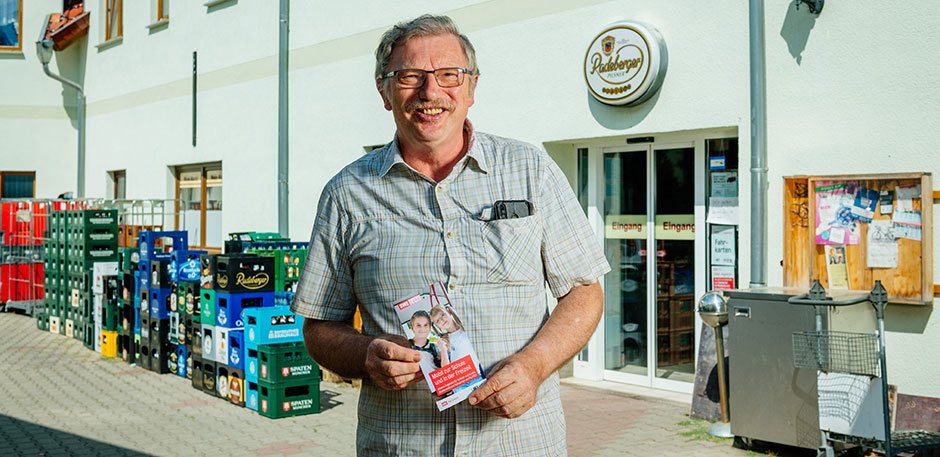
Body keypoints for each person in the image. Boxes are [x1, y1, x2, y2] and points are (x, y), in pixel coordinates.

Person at [292, 14, 609, 456]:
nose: (430, 92)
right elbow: (319, 326)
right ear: (384, 91)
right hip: (402, 445)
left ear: (472, 87)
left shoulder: (530, 170)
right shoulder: (347, 194)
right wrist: (366, 354)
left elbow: (583, 290)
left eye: (448, 75)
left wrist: (534, 367)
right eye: (409, 76)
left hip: (520, 444)